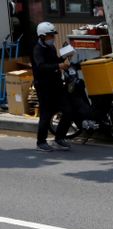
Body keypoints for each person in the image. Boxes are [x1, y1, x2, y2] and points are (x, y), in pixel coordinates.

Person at [31, 21, 74, 152]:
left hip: (56, 84)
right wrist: (58, 66)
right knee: (46, 114)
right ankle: (41, 142)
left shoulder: (51, 47)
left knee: (68, 111)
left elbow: (54, 61)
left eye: (53, 35)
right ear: (42, 36)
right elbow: (41, 67)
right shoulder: (37, 50)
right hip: (44, 87)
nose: (52, 38)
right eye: (50, 36)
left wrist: (63, 58)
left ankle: (59, 138)